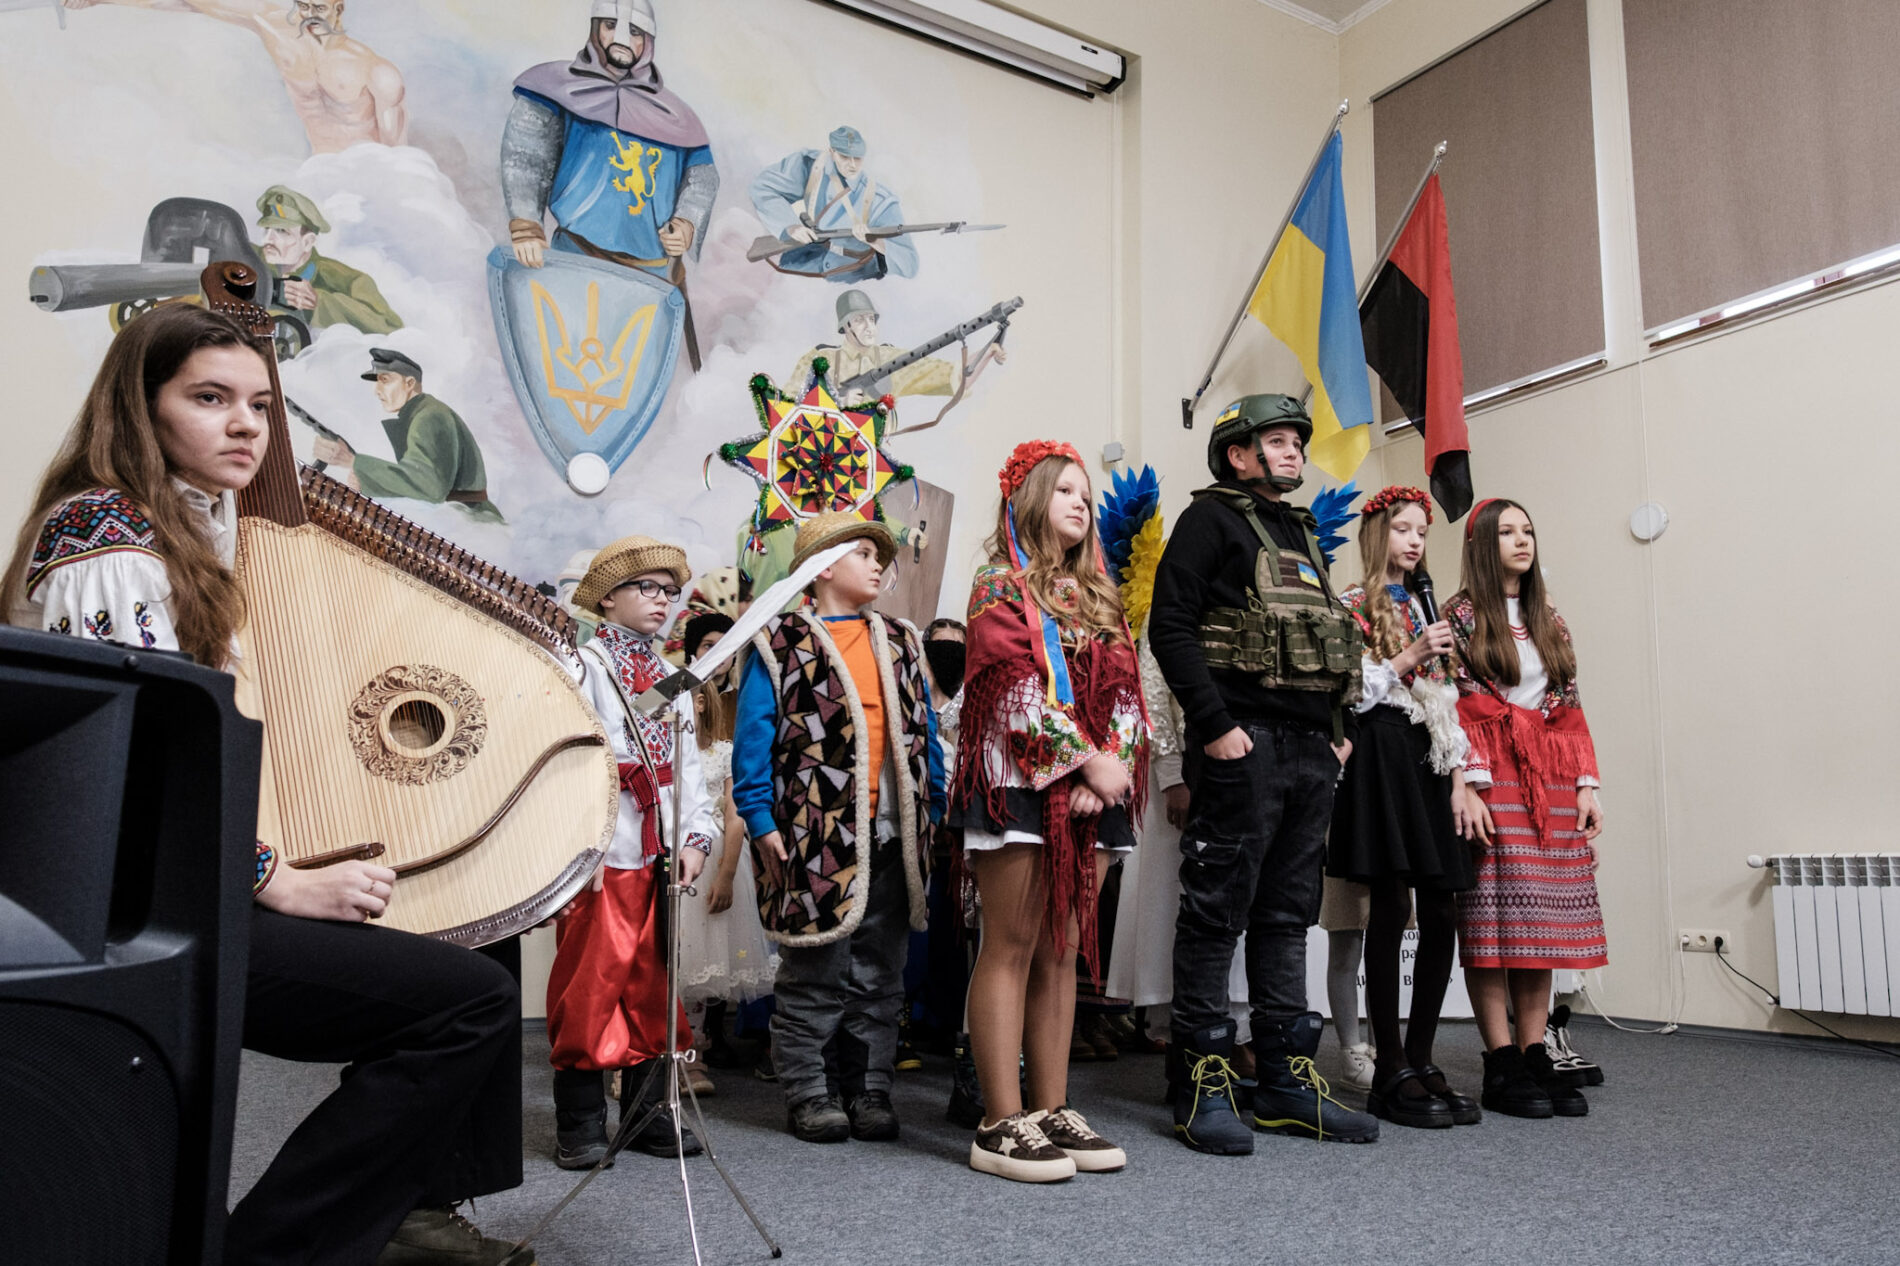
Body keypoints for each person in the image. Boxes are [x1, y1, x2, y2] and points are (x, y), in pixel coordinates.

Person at [4, 302, 530, 1265]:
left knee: (483, 935)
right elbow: (141, 776)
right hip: (120, 912)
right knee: (470, 1001)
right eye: (211, 399)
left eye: (260, 404)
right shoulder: (107, 536)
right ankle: (279, 1252)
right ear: (141, 406)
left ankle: (409, 1213)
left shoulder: (192, 528)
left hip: (174, 884)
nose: (246, 425)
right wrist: (275, 878)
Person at [1147, 393, 1378, 1154]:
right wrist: (1216, 729)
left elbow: (1330, 644)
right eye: (1275, 441)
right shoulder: (1207, 521)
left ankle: (1284, 1082)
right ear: (1237, 455)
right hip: (1243, 746)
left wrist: (1340, 735)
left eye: (1295, 442)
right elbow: (1170, 626)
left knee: (1286, 916)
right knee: (1215, 914)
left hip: (1312, 752)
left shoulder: (1302, 533)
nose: (1292, 451)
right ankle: (1202, 1081)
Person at [948, 440, 1149, 1183]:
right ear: (1029, 499)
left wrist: (1112, 769)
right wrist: (1085, 762)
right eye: (1064, 490)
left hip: (1095, 788)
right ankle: (999, 1121)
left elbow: (1129, 690)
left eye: (1086, 495)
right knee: (1011, 943)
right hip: (1020, 781)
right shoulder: (997, 585)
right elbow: (1009, 688)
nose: (1080, 503)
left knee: (1063, 949)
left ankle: (1052, 1107)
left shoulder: (1101, 593)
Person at [732, 512, 945, 1144]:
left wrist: (932, 808)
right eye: (863, 554)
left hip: (894, 834)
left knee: (880, 972)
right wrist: (758, 815)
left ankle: (868, 1087)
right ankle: (808, 1092)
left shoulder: (903, 639)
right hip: (813, 835)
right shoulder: (780, 642)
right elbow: (754, 738)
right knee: (813, 970)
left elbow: (924, 730)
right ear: (822, 568)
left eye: (881, 557)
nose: (878, 565)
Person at [554, 535, 716, 1166]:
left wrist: (695, 837)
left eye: (670, 592)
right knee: (590, 983)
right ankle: (580, 1122)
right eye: (647, 588)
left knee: (654, 983)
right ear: (607, 597)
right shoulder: (581, 667)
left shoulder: (671, 676)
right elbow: (566, 764)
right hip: (605, 852)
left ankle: (648, 1115)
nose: (662, 601)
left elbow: (688, 767)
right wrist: (581, 845)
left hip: (660, 855)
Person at [1445, 498, 1606, 1119]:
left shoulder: (1549, 619)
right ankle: (1500, 1059)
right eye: (1508, 532)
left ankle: (1535, 1051)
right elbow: (1455, 700)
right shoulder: (1460, 615)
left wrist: (1586, 785)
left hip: (1551, 776)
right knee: (1494, 918)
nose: (1522, 541)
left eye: (1528, 531)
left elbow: (1569, 702)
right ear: (1483, 545)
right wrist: (1470, 782)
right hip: (1492, 772)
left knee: (1544, 920)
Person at [1326, 486, 1481, 1129]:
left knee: (1443, 903)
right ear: (1376, 534)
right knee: (1389, 904)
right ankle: (1388, 1063)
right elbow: (1348, 692)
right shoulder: (1350, 604)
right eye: (1402, 529)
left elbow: (1449, 700)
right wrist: (1410, 655)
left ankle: (1421, 1056)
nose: (1414, 541)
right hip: (1382, 751)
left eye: (1421, 531)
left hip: (1430, 756)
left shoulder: (1424, 605)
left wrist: (1461, 779)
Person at [502, 0, 716, 362]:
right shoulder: (557, 89)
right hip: (577, 258)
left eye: (634, 31)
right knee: (568, 360)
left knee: (627, 368)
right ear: (594, 29)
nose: (621, 39)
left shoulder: (674, 115)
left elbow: (702, 176)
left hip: (650, 275)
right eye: (610, 26)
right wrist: (526, 225)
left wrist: (686, 222)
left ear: (648, 41)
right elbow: (526, 156)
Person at [68, 0, 407, 153]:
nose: (310, 16)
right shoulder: (277, 28)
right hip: (318, 171)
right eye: (303, 6)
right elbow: (188, 2)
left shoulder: (376, 70)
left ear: (339, 8)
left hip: (369, 177)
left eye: (320, 8)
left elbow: (399, 153)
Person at [673, 611, 777, 1081]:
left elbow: (735, 811)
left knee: (704, 963)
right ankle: (655, 1053)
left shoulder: (723, 747)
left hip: (713, 855)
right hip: (669, 852)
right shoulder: (667, 744)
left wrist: (728, 871)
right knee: (670, 960)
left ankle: (695, 1050)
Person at [312, 348, 503, 522]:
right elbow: (416, 479)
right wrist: (364, 478)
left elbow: (429, 487)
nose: (376, 391)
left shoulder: (429, 417)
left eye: (385, 380)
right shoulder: (423, 412)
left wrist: (355, 462)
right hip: (464, 519)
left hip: (472, 523)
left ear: (409, 383)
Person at [749, 126, 919, 283]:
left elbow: (910, 264)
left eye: (857, 158)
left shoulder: (880, 200)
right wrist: (790, 227)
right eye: (844, 157)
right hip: (805, 260)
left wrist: (875, 241)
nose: (852, 165)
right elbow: (762, 187)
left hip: (852, 272)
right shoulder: (812, 166)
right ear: (832, 152)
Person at [788, 289, 1005, 408]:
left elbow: (952, 375)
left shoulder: (890, 358)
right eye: (859, 320)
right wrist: (838, 401)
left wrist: (987, 352)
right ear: (845, 326)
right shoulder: (821, 359)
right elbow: (788, 403)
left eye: (871, 318)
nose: (869, 326)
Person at [253, 185, 403, 335]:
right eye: (267, 229)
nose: (268, 239)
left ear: (308, 242)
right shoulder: (251, 259)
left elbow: (391, 328)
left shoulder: (350, 280)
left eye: (281, 231)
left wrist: (319, 302)